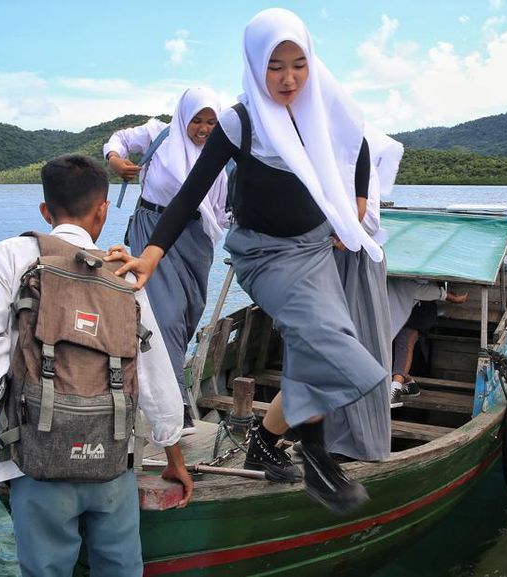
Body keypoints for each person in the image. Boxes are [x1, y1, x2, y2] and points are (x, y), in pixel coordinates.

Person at [110, 8, 386, 514]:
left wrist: (358, 208)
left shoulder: (323, 105)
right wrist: (150, 256)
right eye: (274, 66)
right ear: (255, 65)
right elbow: (189, 194)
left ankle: (263, 441)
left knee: (311, 355)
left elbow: (360, 144)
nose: (288, 78)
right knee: (350, 361)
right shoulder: (239, 122)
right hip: (263, 254)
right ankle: (319, 457)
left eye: (298, 64)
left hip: (314, 248)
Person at [0, 155, 193, 575]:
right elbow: (155, 374)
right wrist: (172, 454)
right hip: (111, 464)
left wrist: (1, 401)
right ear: (103, 209)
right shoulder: (123, 272)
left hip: (37, 462)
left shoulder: (10, 255)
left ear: (46, 211)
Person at [104, 87, 231, 436]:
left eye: (211, 122)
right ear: (182, 116)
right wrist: (115, 160)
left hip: (197, 239)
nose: (203, 129)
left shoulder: (221, 151)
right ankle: (178, 410)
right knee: (167, 317)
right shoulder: (158, 133)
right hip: (152, 231)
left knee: (190, 312)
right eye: (196, 121)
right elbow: (118, 139)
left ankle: (159, 389)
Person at [324, 127, 404, 462]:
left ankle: (362, 443)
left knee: (363, 346)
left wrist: (339, 229)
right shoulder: (318, 160)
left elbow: (369, 218)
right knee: (325, 349)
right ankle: (328, 438)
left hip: (356, 262)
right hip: (325, 261)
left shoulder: (359, 160)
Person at [387, 280, 468, 404]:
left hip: (419, 309)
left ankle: (395, 390)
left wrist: (448, 296)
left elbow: (418, 290)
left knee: (404, 340)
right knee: (390, 345)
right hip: (396, 305)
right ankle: (409, 385)